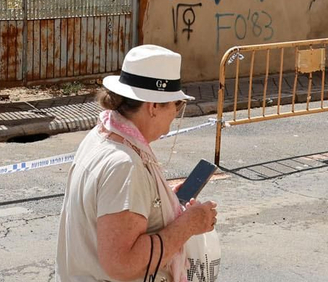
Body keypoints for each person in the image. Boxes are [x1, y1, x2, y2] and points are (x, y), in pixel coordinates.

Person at [57, 44, 218, 282]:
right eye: (177, 104)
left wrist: (158, 205)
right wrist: (189, 224)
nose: (176, 113)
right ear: (153, 106)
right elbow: (122, 264)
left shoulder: (102, 134)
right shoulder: (125, 165)